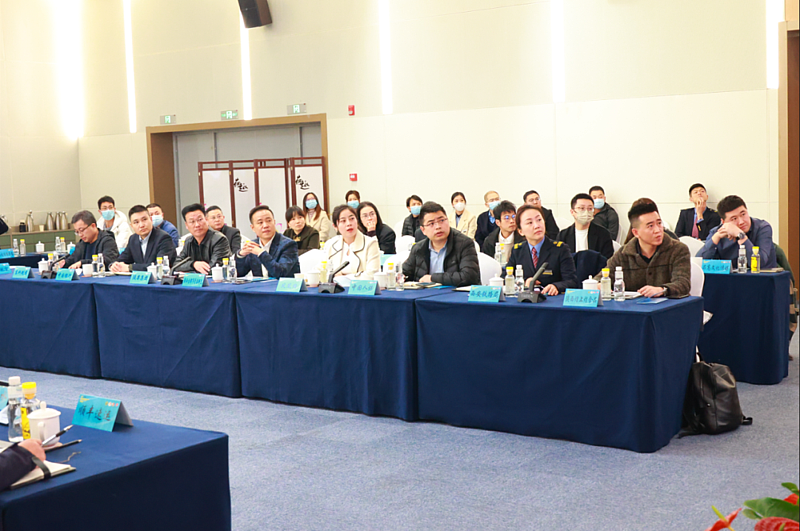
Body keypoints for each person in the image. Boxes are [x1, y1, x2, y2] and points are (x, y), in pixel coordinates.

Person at [598, 202, 691, 297]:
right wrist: (599, 284)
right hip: (633, 305)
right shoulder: (623, 254)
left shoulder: (678, 249)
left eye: (659, 223)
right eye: (650, 226)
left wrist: (662, 290)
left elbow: (683, 283)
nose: (657, 230)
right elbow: (601, 277)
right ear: (636, 232)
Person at [402, 202, 480, 287]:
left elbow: (469, 276)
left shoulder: (464, 243)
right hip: (425, 294)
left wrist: (433, 278)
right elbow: (404, 273)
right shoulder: (418, 249)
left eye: (442, 220)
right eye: (431, 223)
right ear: (423, 230)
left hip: (456, 294)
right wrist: (398, 277)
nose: (438, 226)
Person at [506, 204, 577, 295]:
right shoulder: (517, 250)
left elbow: (572, 281)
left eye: (539, 220)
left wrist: (556, 286)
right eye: (530, 223)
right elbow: (506, 277)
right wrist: (524, 282)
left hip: (552, 299)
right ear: (520, 231)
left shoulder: (560, 249)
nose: (537, 226)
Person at [698, 195, 777, 268]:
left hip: (762, 277)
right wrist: (716, 237)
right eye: (734, 219)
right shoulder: (716, 232)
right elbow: (698, 263)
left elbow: (759, 264)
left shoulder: (762, 228)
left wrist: (741, 236)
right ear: (723, 222)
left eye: (743, 214)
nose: (741, 221)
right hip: (729, 278)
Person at [236, 205, 299, 278]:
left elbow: (280, 272)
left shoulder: (288, 244)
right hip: (259, 285)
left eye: (269, 221)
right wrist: (241, 255)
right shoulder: (253, 245)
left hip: (283, 285)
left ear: (274, 222)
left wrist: (261, 253)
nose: (265, 225)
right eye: (260, 222)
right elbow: (239, 273)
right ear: (253, 228)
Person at [110, 205, 177, 272]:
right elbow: (122, 259)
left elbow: (159, 266)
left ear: (151, 220)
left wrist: (130, 267)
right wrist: (114, 265)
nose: (141, 225)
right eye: (136, 222)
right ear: (132, 226)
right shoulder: (133, 239)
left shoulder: (163, 238)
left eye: (144, 219)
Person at [324, 205, 380, 277]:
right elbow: (321, 271)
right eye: (343, 221)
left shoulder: (370, 243)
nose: (349, 223)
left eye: (352, 218)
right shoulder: (331, 244)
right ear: (335, 226)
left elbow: (372, 274)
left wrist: (343, 277)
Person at [173, 204, 231, 274]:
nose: (197, 225)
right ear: (186, 225)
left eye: (200, 220)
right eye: (192, 221)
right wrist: (193, 264)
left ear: (206, 220)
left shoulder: (219, 239)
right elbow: (176, 265)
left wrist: (192, 269)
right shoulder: (189, 241)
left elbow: (215, 268)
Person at [557, 193, 614, 259]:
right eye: (582, 208)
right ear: (572, 212)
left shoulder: (603, 234)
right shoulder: (563, 235)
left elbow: (607, 260)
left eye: (590, 208)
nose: (586, 212)